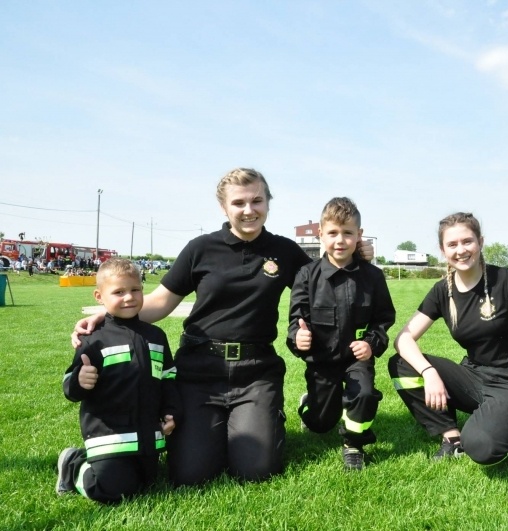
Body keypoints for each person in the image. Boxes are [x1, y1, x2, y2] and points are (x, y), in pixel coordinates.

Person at [72, 167, 374, 486]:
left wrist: (359, 254)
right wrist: (108, 319)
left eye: (257, 200)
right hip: (199, 373)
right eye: (239, 203)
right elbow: (159, 302)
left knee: (256, 471)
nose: (248, 210)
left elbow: (328, 276)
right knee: (192, 474)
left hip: (256, 372)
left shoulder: (284, 251)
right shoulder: (200, 249)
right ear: (224, 208)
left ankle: (269, 414)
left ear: (268, 203)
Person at [388, 212, 508, 465]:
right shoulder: (442, 290)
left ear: (480, 242)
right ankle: (451, 437)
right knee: (402, 364)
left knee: (481, 448)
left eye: (467, 241)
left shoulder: (504, 280)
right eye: (452, 244)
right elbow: (403, 339)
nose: (461, 250)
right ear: (442, 250)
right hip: (474, 376)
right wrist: (428, 372)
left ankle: (505, 422)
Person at [57, 258, 180, 503]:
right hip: (110, 436)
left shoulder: (156, 335)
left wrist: (170, 411)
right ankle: (74, 465)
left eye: (135, 290)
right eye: (119, 292)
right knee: (112, 491)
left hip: (147, 436)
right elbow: (69, 386)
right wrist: (80, 380)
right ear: (99, 296)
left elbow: (168, 377)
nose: (129, 297)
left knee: (148, 483)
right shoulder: (94, 339)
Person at [286, 197, 395, 471]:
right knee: (321, 423)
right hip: (321, 360)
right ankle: (309, 405)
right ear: (320, 234)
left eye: (348, 233)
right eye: (333, 233)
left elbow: (384, 319)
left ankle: (354, 444)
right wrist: (298, 341)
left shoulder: (373, 277)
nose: (340, 240)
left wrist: (371, 344)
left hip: (356, 359)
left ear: (359, 235)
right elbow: (295, 323)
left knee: (365, 393)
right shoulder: (306, 276)